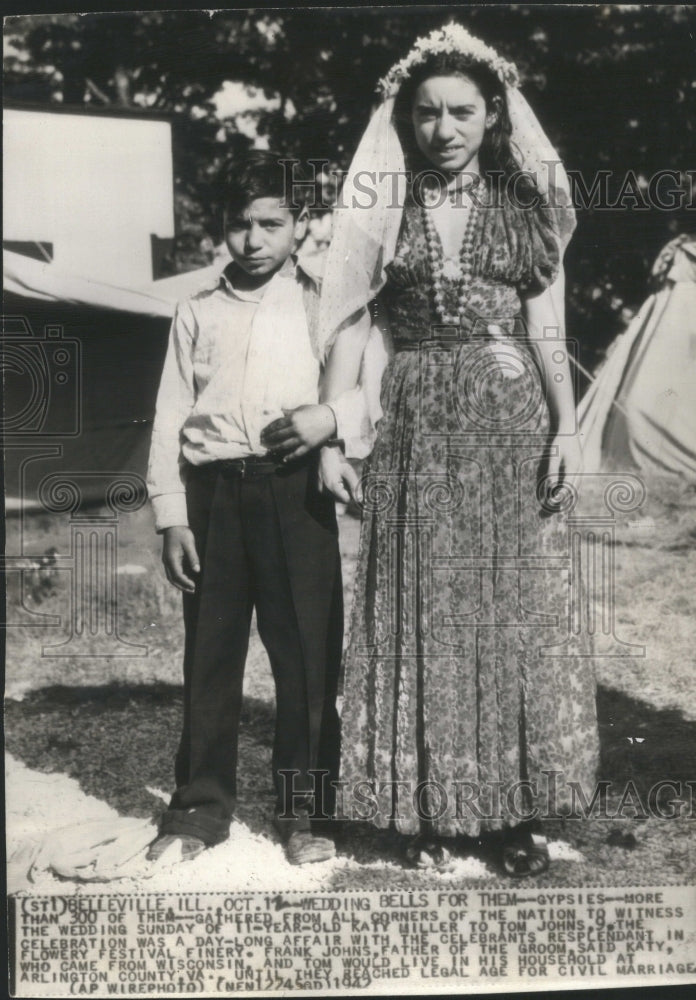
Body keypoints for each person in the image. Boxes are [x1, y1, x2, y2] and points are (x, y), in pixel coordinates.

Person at [317, 24, 600, 877]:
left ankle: (508, 813)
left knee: (508, 611)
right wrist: (336, 430)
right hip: (412, 420)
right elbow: (350, 323)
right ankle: (430, 808)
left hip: (509, 423)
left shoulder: (523, 209)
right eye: (427, 113)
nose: (443, 129)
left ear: (492, 117)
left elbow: (546, 328)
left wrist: (568, 427)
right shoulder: (384, 205)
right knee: (425, 609)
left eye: (461, 113)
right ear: (406, 120)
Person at [146, 151, 360, 866]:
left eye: (271, 222)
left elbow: (370, 387)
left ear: (301, 226)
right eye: (239, 224)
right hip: (213, 497)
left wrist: (331, 420)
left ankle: (305, 813)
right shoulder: (196, 310)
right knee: (210, 657)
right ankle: (200, 808)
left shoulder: (324, 306)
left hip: (293, 492)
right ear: (220, 231)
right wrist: (172, 512)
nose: (254, 239)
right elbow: (170, 413)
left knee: (305, 660)